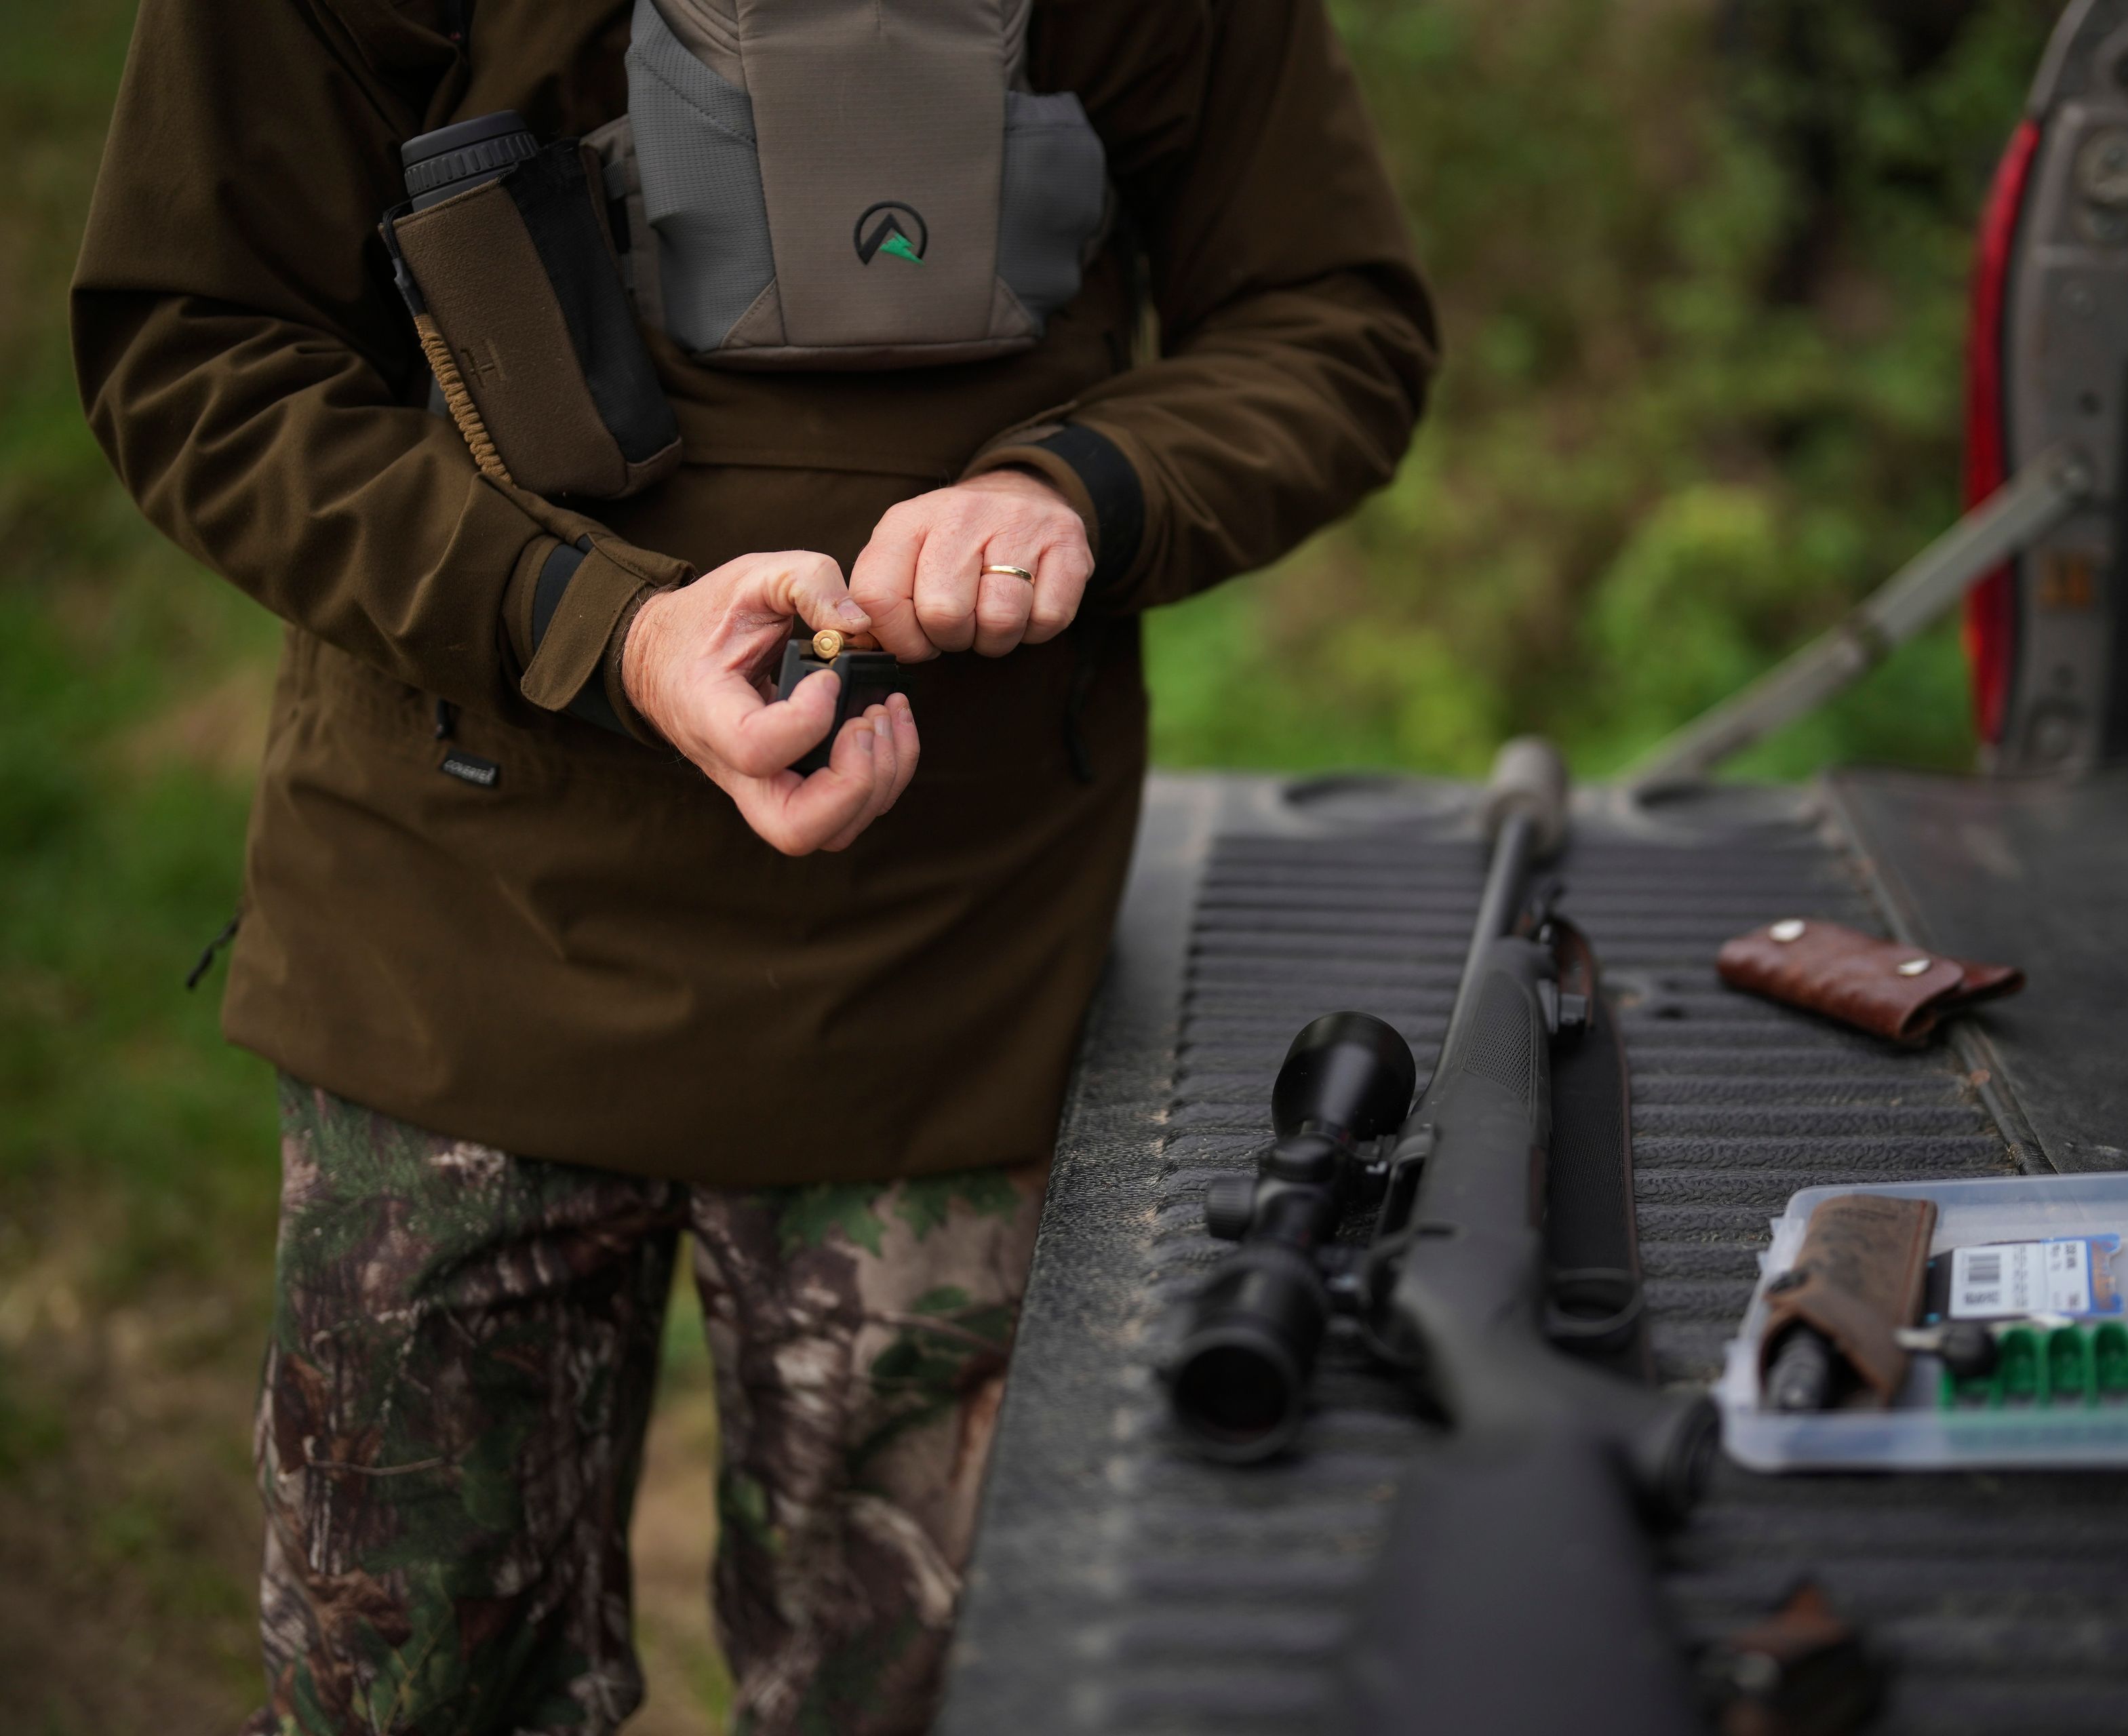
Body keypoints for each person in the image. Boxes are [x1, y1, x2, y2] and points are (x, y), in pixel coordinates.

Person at [71, 1, 1434, 1730]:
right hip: (454, 955)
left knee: (941, 1698)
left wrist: (1088, 487)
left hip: (954, 994)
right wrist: (598, 625)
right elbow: (198, 346)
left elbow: (1332, 316)